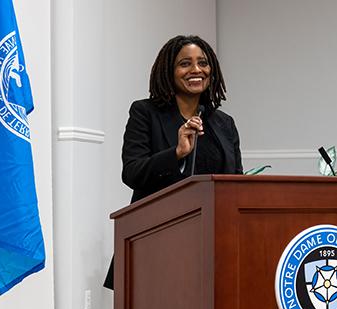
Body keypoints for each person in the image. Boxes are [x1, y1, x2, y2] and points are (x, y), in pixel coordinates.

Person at [103, 35, 243, 290]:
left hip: (210, 243)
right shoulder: (145, 113)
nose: (196, 70)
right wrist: (176, 152)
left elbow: (236, 184)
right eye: (185, 64)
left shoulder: (224, 123)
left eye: (203, 62)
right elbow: (132, 172)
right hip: (156, 239)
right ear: (169, 71)